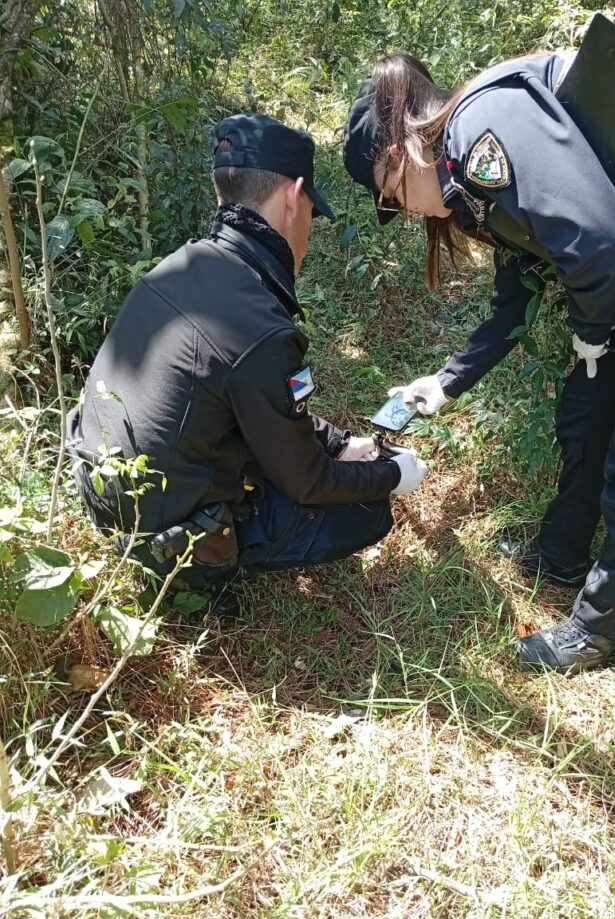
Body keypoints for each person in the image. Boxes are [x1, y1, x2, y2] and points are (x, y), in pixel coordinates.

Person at [342, 47, 615, 670]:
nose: (405, 212)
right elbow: (516, 298)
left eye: (391, 195)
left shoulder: (480, 124)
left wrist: (593, 330)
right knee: (589, 408)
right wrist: (447, 381)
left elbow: (594, 241)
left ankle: (595, 631)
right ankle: (561, 555)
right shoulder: (470, 178)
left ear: (397, 151)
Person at [67, 113, 428, 591]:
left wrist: (342, 444)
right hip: (167, 540)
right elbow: (308, 481)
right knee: (365, 512)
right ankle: (205, 579)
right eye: (312, 217)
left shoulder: (179, 266)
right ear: (293, 197)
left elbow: (260, 410)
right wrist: (390, 476)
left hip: (105, 497)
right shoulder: (260, 328)